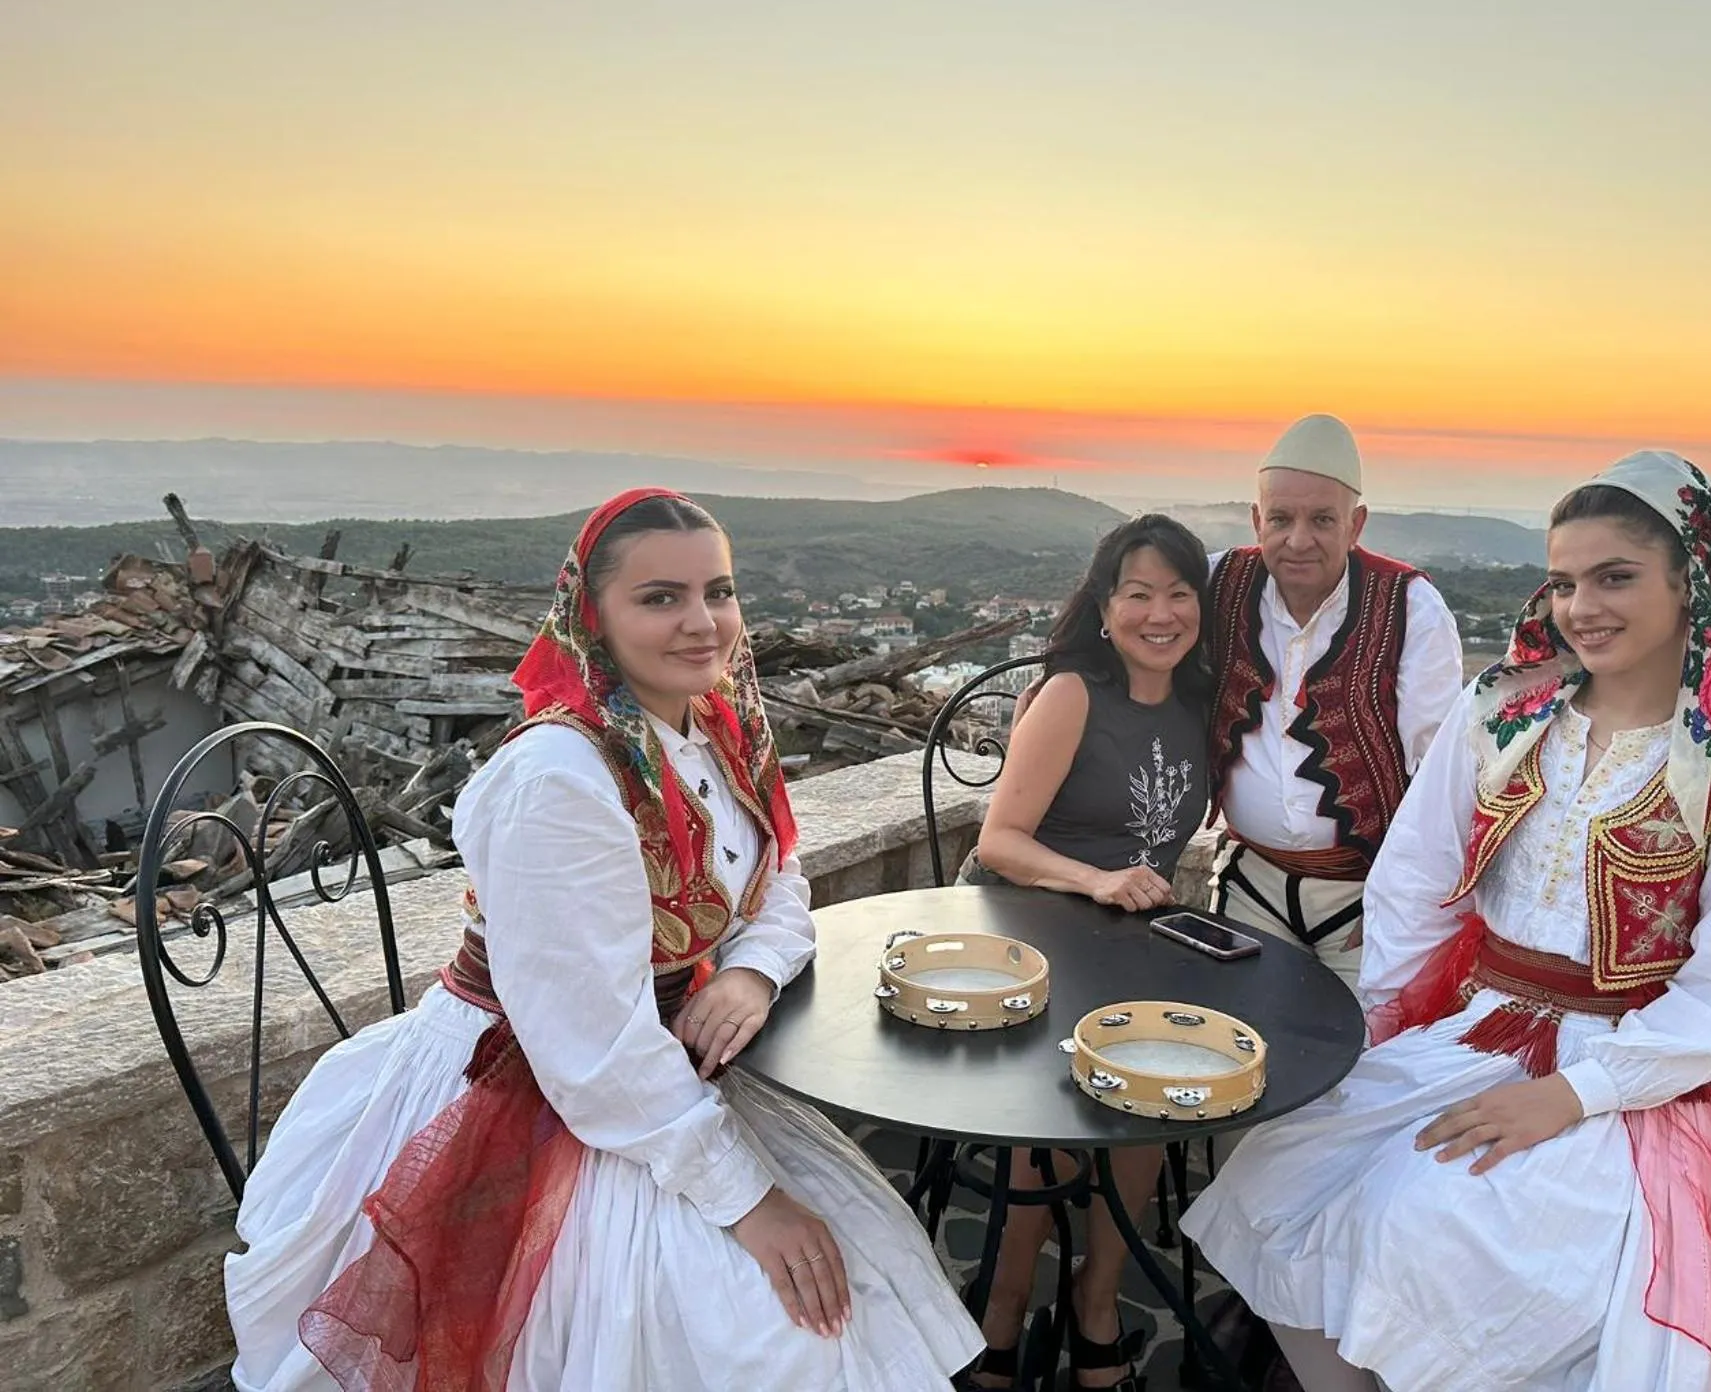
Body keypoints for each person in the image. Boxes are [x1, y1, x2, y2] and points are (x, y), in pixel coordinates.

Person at [224, 489, 982, 1391]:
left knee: (841, 1281)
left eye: (720, 591)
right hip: (535, 1087)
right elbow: (591, 1052)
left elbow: (778, 879)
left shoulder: (712, 729)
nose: (703, 623)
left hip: (654, 1068)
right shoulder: (560, 779)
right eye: (661, 597)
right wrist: (751, 1203)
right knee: (782, 1330)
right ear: (594, 618)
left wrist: (749, 971)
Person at [1181, 451, 1711, 1392]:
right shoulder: (1505, 714)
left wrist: (1574, 1095)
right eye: (1566, 581)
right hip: (1475, 1025)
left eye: (1616, 577)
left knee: (1433, 1222)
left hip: (1626, 1076)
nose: (1583, 607)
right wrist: (1380, 1025)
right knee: (1275, 1167)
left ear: (1692, 586)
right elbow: (1415, 874)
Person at [957, 513, 1214, 1392]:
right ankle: (1006, 1297)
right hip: (1038, 925)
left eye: (1179, 593)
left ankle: (1096, 1293)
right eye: (1138, 593)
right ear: (1104, 607)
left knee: (1163, 1079)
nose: (1160, 612)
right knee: (1071, 1080)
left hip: (1137, 937)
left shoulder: (1198, 701)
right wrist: (1096, 880)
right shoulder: (1072, 693)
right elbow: (1000, 841)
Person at [1205, 414, 1465, 977]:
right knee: (1238, 1040)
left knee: (1363, 1055)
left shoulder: (1409, 606)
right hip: (1254, 884)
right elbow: (1132, 616)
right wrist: (1061, 677)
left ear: (1356, 524)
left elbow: (1442, 768)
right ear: (1257, 520)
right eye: (1280, 518)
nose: (1298, 539)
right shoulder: (1218, 583)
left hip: (1363, 899)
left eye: (1322, 519)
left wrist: (1407, 899)